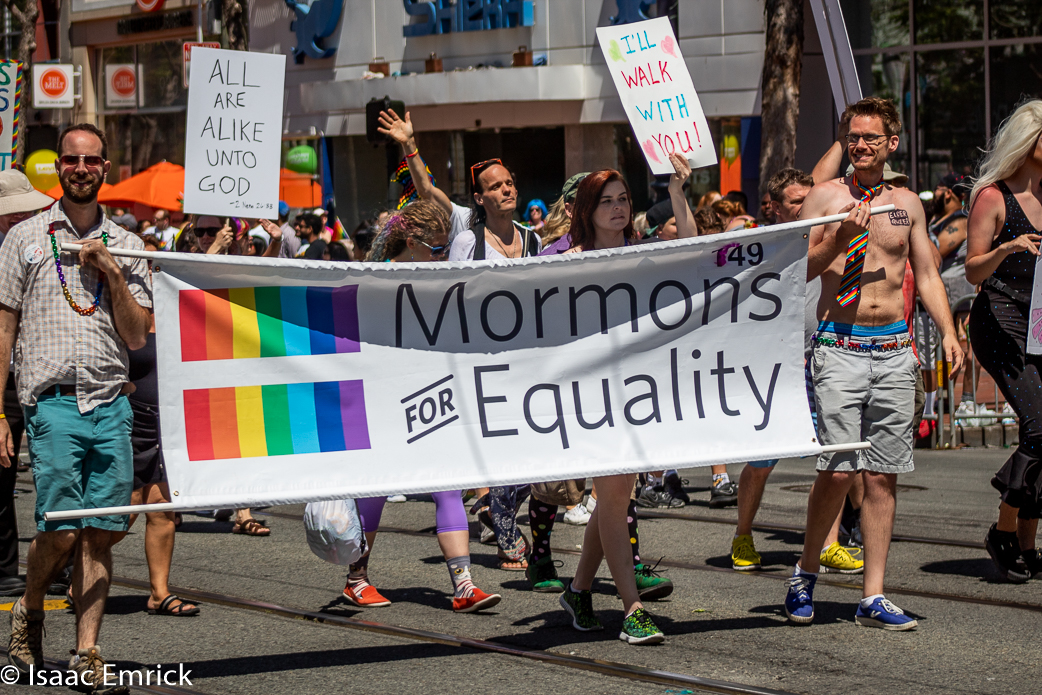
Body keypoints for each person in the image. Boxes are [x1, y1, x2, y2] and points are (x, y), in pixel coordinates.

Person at [784, 97, 962, 630]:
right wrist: (839, 238)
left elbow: (926, 273)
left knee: (883, 476)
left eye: (870, 138)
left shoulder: (907, 204)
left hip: (893, 348)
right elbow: (797, 270)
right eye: (853, 137)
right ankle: (805, 572)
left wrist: (948, 332)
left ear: (891, 143)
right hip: (839, 343)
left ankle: (873, 594)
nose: (860, 145)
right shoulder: (824, 197)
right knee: (839, 471)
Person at [0, 123, 153, 688]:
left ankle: (87, 650)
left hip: (111, 402)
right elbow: (4, 329)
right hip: (52, 402)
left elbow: (137, 335)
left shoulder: (130, 244)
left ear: (105, 167)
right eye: (71, 160)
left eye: (90, 160)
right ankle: (30, 608)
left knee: (100, 533)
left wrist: (111, 269)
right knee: (62, 530)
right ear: (59, 168)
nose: (81, 169)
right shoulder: (26, 238)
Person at [541, 153, 696, 645]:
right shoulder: (566, 261)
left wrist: (677, 192)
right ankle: (632, 609)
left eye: (623, 199)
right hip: (591, 395)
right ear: (587, 210)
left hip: (638, 392)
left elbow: (693, 249)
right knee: (613, 497)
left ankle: (579, 591)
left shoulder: (643, 252)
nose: (617, 208)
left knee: (615, 497)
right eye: (606, 201)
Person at [345, 202, 500, 613]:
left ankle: (464, 585)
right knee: (376, 490)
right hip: (381, 401)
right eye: (437, 249)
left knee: (447, 484)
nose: (444, 256)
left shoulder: (439, 281)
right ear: (411, 242)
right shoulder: (371, 280)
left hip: (430, 397)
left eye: (446, 248)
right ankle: (356, 578)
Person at [730, 168, 862, 574]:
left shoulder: (830, 236)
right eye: (796, 202)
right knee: (762, 461)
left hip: (822, 357)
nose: (807, 207)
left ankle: (829, 543)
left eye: (809, 199)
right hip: (776, 366)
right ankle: (743, 534)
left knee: (834, 456)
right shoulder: (767, 244)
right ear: (774, 207)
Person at [964, 99, 1042, 582]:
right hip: (1000, 320)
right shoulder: (993, 197)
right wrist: (1008, 247)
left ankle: (1028, 546)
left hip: (1039, 321)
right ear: (1030, 142)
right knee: (1040, 427)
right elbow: (972, 270)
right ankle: (1004, 530)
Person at [0, 171, 54, 598]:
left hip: (35, 372)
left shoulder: (38, 244)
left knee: (54, 470)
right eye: (12, 211)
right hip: (6, 379)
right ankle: (4, 568)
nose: (21, 215)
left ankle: (54, 561)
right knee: (3, 472)